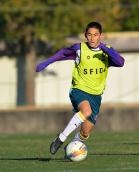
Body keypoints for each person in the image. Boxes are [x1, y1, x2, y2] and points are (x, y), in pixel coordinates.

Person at [36, 21, 125, 155]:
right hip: (79, 90)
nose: (92, 38)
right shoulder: (79, 49)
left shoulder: (105, 52)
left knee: (85, 132)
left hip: (96, 95)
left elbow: (121, 62)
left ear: (100, 36)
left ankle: (70, 149)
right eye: (89, 35)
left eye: (95, 35)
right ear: (85, 35)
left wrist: (108, 50)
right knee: (86, 111)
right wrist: (47, 62)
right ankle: (60, 139)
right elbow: (62, 53)